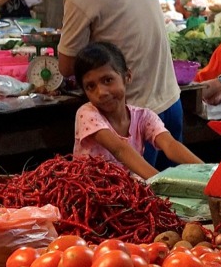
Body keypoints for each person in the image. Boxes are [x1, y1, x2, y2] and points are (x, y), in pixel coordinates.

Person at [25, 0, 182, 168]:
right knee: (176, 201)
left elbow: (65, 67)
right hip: (171, 104)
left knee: (143, 203)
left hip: (132, 122)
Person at [74, 42, 202, 180]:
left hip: (124, 189)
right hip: (90, 191)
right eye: (90, 86)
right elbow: (119, 149)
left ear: (127, 77)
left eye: (108, 80)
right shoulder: (87, 113)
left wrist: (207, 172)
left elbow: (170, 145)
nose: (101, 92)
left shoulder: (144, 117)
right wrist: (160, 182)